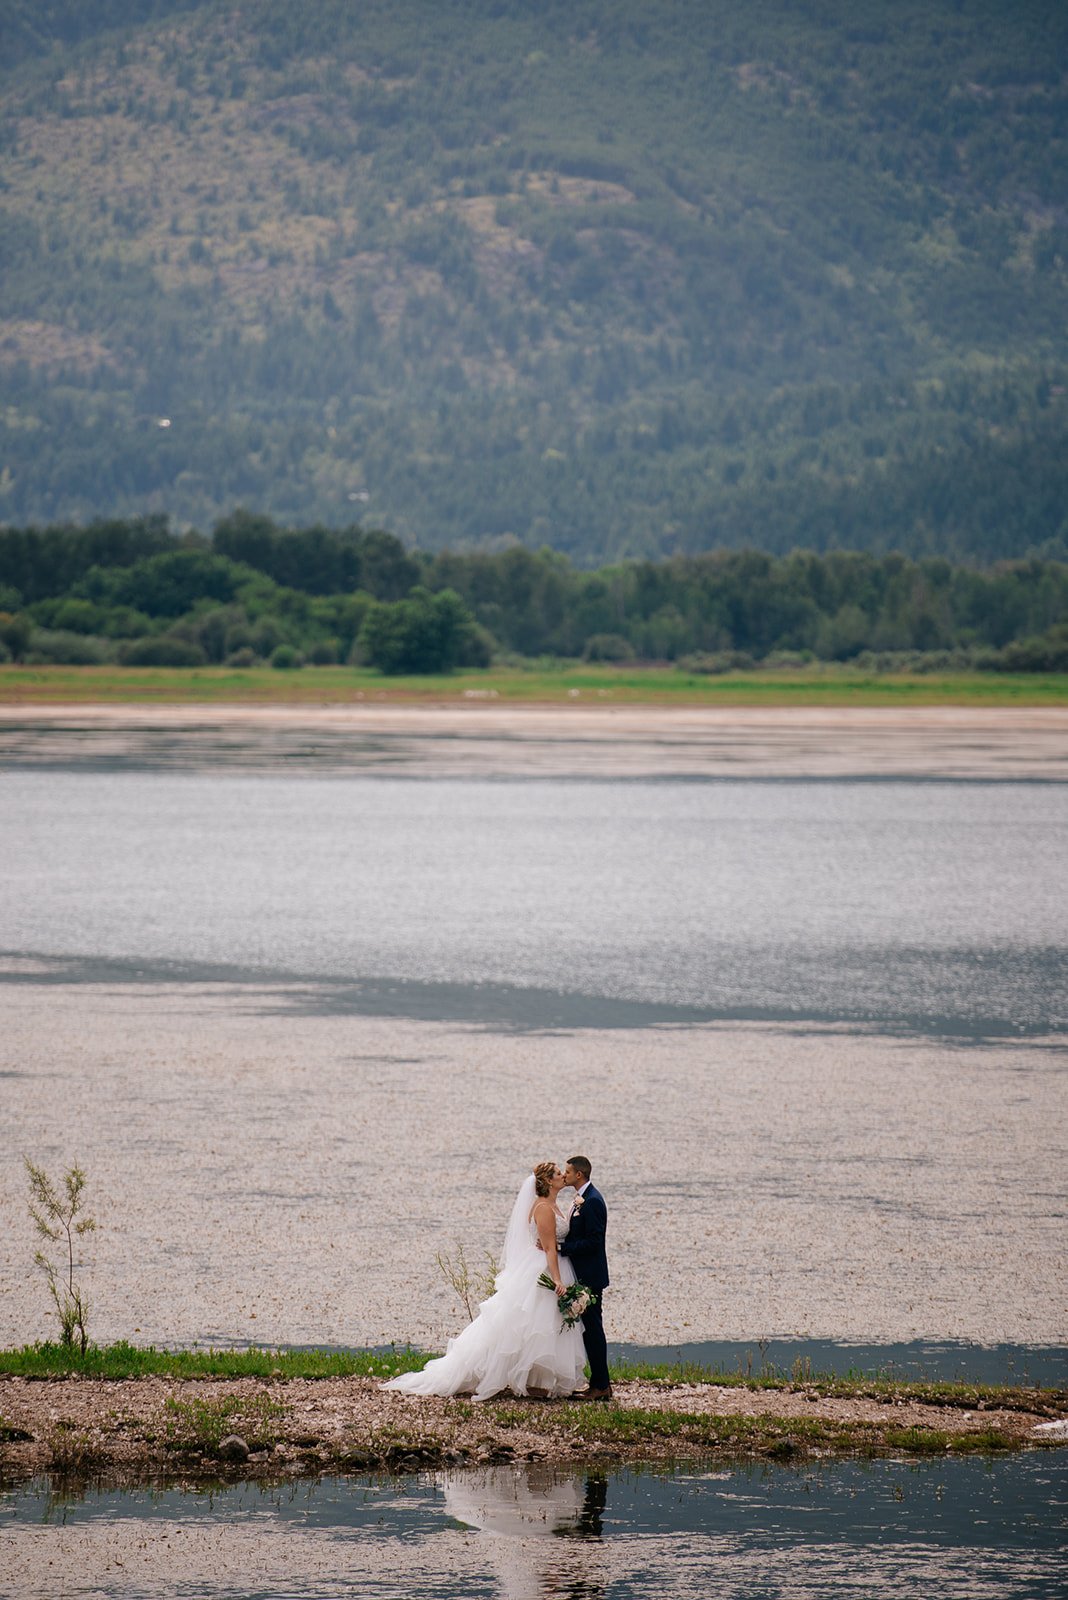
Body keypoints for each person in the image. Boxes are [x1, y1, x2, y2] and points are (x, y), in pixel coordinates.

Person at [383, 1162, 586, 1401]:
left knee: (542, 1325)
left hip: (550, 1264)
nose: (563, 1176)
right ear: (549, 1181)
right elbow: (550, 1248)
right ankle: (511, 1376)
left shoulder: (553, 1204)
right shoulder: (542, 1207)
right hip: (542, 1268)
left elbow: (554, 1244)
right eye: (558, 1174)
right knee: (527, 1324)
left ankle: (537, 1380)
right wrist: (558, 1280)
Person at [558, 1156, 611, 1401]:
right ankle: (599, 1383)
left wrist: (563, 1249)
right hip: (583, 1275)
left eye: (568, 1172)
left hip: (591, 1276)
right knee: (589, 1330)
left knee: (593, 1330)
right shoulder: (583, 1199)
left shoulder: (592, 1202)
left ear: (579, 1175)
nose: (564, 1175)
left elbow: (594, 1241)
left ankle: (601, 1385)